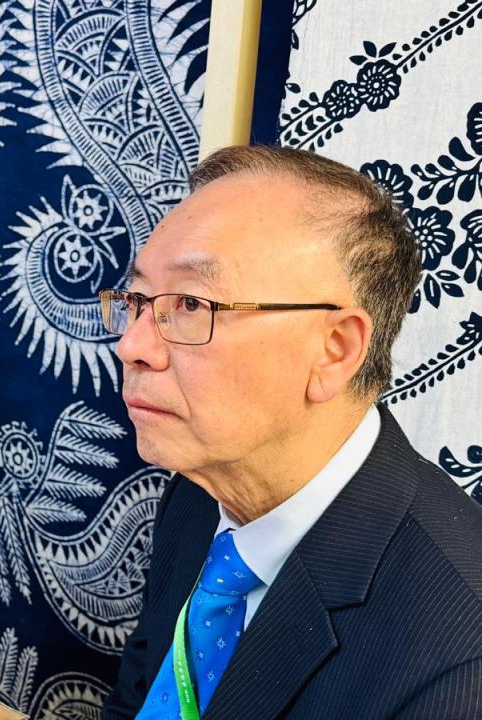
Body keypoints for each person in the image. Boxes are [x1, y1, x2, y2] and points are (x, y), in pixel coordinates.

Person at [101, 145, 482, 719]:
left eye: (191, 303)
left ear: (335, 351)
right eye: (138, 300)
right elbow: (138, 699)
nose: (132, 345)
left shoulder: (460, 658)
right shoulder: (195, 496)